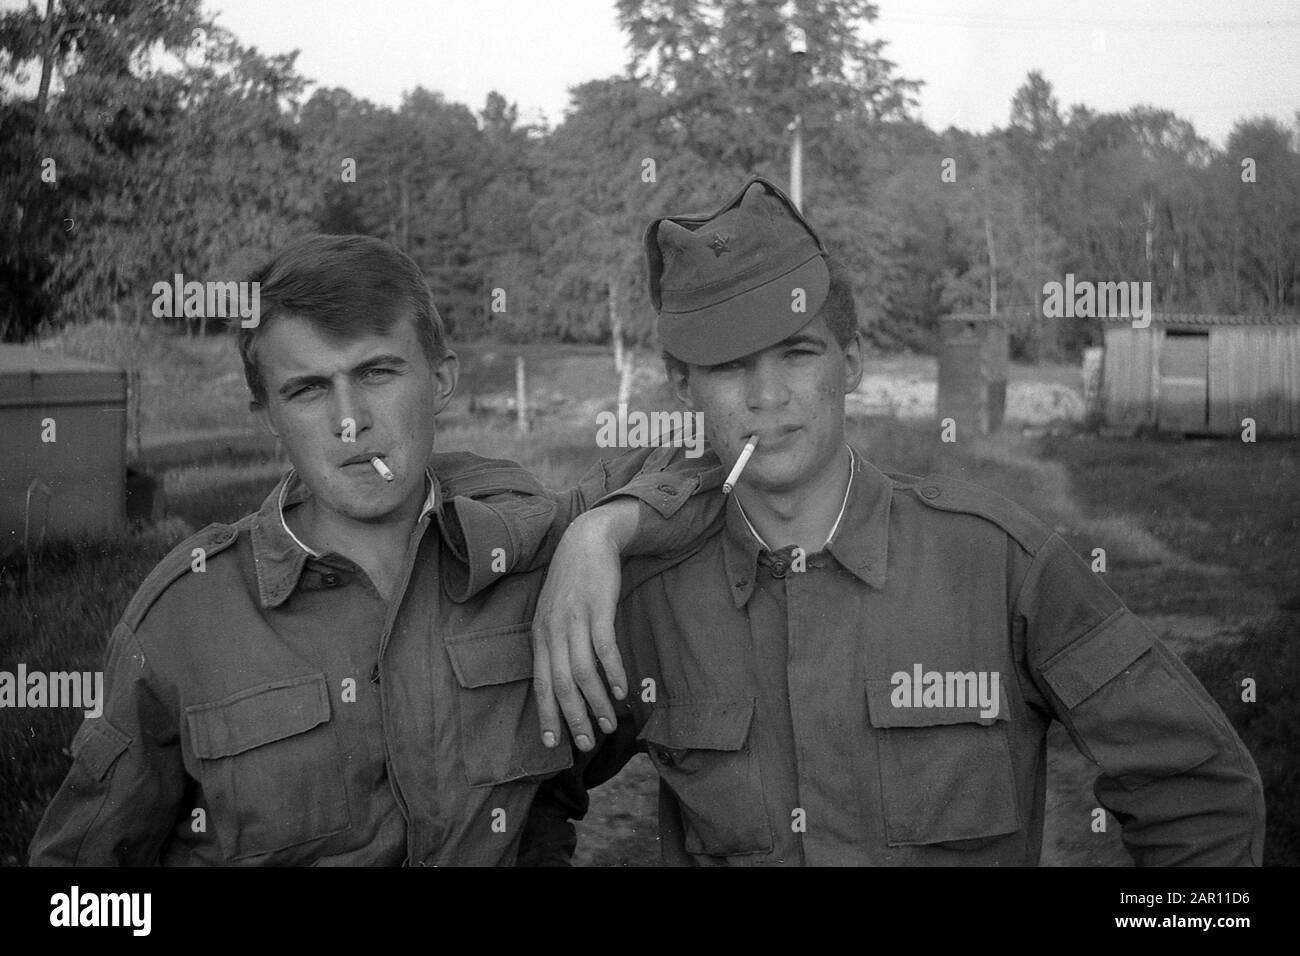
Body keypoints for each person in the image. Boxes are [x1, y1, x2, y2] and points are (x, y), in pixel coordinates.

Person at [525, 177, 1266, 866]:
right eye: (727, 366)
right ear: (683, 385)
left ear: (851, 363)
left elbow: (1200, 793)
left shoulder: (993, 565)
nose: (767, 395)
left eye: (798, 352)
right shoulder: (651, 602)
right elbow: (519, 792)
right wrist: (598, 529)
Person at [29, 234, 719, 866]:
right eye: (306, 389)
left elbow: (726, 455)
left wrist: (601, 533)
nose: (349, 419)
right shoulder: (186, 620)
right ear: (266, 413)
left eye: (378, 372)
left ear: (442, 380)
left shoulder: (525, 548)